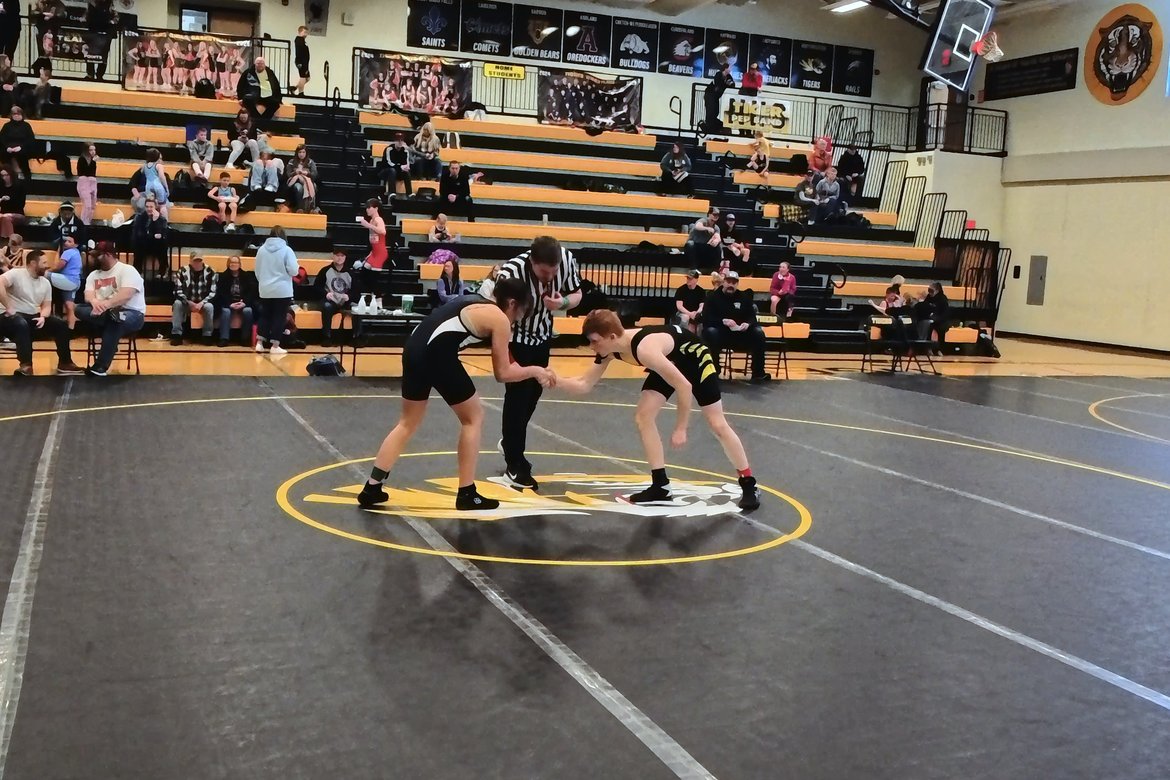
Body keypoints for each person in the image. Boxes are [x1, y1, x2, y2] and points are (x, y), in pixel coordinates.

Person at [357, 278, 555, 512]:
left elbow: (508, 360)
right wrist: (535, 371)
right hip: (435, 354)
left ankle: (372, 487)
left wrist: (533, 370)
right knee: (473, 417)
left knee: (407, 422)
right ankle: (467, 493)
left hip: (413, 349)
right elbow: (503, 373)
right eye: (520, 315)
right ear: (512, 304)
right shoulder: (499, 318)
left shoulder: (475, 302)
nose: (516, 321)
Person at [559, 309, 760, 509]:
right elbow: (585, 384)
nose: (591, 346)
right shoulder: (610, 349)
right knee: (644, 416)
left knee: (717, 424)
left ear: (611, 337)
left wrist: (681, 427)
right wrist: (553, 379)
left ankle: (748, 483)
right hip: (669, 360)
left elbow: (684, 386)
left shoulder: (645, 349)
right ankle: (661, 486)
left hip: (694, 359)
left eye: (594, 341)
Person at [495, 236, 583, 491]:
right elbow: (500, 316)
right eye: (544, 272)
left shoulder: (565, 259)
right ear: (532, 262)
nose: (549, 277)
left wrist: (562, 303)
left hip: (543, 335)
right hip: (516, 335)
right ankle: (515, 461)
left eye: (553, 272)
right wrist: (504, 351)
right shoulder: (512, 273)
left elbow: (577, 294)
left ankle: (510, 441)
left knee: (533, 394)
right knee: (518, 396)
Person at [75, 243, 146, 377]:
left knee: (115, 321)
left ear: (108, 255)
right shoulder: (93, 275)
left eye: (96, 256)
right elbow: (88, 295)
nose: (92, 259)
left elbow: (126, 294)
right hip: (103, 311)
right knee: (79, 309)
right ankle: (110, 324)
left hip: (132, 313)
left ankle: (101, 366)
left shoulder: (127, 270)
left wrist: (106, 305)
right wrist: (95, 301)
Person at [702, 270, 770, 381]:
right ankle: (714, 371)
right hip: (720, 332)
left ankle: (758, 373)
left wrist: (747, 323)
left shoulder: (743, 297)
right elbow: (706, 318)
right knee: (711, 332)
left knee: (758, 332)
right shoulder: (712, 297)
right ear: (724, 282)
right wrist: (723, 321)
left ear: (737, 284)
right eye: (728, 282)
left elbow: (752, 317)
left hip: (740, 334)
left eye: (734, 283)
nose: (731, 285)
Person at [253, 226, 297, 356]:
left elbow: (257, 271)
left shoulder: (261, 250)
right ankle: (275, 345)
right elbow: (294, 271)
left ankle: (259, 343)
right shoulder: (287, 250)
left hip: (265, 288)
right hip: (282, 290)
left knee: (265, 315)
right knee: (279, 316)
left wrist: (264, 282)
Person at [170, 250, 217, 345]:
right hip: (186, 301)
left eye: (200, 260)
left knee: (210, 307)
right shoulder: (182, 271)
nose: (198, 263)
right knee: (177, 304)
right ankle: (176, 335)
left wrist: (201, 303)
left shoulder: (210, 271)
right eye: (195, 260)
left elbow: (213, 292)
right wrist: (189, 302)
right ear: (190, 261)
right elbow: (177, 291)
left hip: (203, 302)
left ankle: (207, 335)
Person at [213, 254, 256, 347]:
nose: (234, 264)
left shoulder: (247, 276)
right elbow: (220, 294)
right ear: (228, 264)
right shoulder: (223, 277)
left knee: (248, 311)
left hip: (242, 303)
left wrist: (244, 303)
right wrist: (229, 304)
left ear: (240, 264)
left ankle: (245, 338)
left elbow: (251, 293)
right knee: (226, 311)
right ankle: (224, 338)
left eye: (236, 262)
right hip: (228, 303)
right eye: (231, 262)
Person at [316, 248, 352, 347]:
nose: (339, 258)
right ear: (333, 256)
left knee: (357, 308)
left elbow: (356, 289)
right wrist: (325, 294)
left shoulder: (350, 272)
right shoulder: (325, 270)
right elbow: (316, 287)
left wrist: (349, 296)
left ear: (345, 258)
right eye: (337, 255)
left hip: (345, 302)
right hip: (331, 301)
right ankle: (326, 337)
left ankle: (357, 337)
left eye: (342, 256)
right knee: (326, 307)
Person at [239, 56, 282, 128]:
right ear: (255, 64)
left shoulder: (270, 72)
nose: (260, 65)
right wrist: (240, 97)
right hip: (254, 95)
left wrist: (279, 98)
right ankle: (256, 119)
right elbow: (240, 85)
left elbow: (276, 85)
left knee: (275, 104)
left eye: (262, 63)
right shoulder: (248, 72)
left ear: (264, 64)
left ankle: (264, 120)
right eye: (258, 63)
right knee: (246, 100)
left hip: (267, 96)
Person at [131, 197, 168, 278]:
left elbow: (162, 234)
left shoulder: (161, 219)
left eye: (151, 207)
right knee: (138, 244)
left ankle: (163, 271)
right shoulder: (140, 218)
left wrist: (155, 221)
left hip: (156, 244)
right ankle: (138, 271)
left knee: (163, 245)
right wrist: (152, 236)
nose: (149, 209)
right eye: (147, 207)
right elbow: (139, 233)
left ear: (155, 207)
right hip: (144, 243)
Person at [131, 148, 169, 217]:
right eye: (159, 158)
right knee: (141, 202)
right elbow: (133, 182)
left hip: (159, 196)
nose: (160, 161)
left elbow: (168, 188)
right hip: (144, 194)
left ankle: (162, 224)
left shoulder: (164, 174)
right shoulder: (142, 170)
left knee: (166, 204)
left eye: (161, 159)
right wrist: (135, 191)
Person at [84, 0, 117, 81]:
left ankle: (99, 75)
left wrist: (112, 21)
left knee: (104, 54)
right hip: (93, 31)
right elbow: (86, 14)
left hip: (105, 33)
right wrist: (84, 18)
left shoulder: (110, 4)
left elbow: (115, 16)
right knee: (90, 53)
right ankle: (90, 74)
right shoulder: (91, 3)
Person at [0, 106, 35, 179]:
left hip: (22, 147)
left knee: (23, 156)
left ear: (22, 115)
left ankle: (27, 177)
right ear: (11, 115)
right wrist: (7, 148)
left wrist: (20, 147)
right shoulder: (7, 126)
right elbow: (2, 138)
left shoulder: (26, 126)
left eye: (18, 114)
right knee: (4, 155)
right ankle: (7, 177)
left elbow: (30, 139)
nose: (16, 115)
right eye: (14, 114)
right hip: (8, 147)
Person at [914, 281, 949, 354]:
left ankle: (938, 348)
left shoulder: (943, 299)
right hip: (928, 318)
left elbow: (944, 313)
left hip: (940, 320)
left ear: (937, 290)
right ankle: (926, 347)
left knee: (938, 327)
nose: (929, 293)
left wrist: (936, 318)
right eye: (928, 291)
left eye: (931, 291)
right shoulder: (928, 297)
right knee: (925, 324)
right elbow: (925, 307)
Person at [378, 132, 412, 201]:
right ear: (394, 141)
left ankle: (409, 193)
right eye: (398, 140)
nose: (400, 142)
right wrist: (400, 167)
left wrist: (405, 167)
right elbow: (389, 163)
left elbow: (406, 164)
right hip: (385, 171)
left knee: (406, 172)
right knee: (392, 170)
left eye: (401, 140)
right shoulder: (389, 149)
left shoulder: (405, 151)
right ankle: (392, 192)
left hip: (397, 172)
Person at [286, 145, 318, 213]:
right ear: (297, 153)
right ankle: (300, 208)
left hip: (307, 181)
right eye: (300, 152)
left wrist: (307, 173)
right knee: (299, 187)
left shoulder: (310, 162)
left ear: (306, 153)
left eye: (303, 152)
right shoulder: (291, 162)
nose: (301, 154)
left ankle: (311, 207)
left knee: (314, 186)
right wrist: (295, 172)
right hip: (295, 181)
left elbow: (314, 174)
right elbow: (288, 174)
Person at [704, 62, 734, 133]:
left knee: (715, 112)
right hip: (710, 95)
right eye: (730, 67)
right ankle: (709, 128)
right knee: (710, 112)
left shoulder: (728, 76)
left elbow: (732, 84)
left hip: (716, 97)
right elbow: (718, 84)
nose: (731, 69)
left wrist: (727, 83)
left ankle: (715, 128)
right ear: (726, 68)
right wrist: (726, 83)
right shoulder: (718, 74)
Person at [357, 198, 387, 269]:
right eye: (366, 208)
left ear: (376, 208)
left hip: (380, 253)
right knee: (365, 270)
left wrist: (368, 225)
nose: (367, 209)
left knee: (373, 275)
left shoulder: (378, 219)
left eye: (369, 207)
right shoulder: (371, 220)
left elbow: (383, 231)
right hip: (374, 252)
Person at [719, 212, 752, 276]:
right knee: (730, 247)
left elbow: (741, 244)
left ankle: (742, 271)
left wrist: (736, 245)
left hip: (735, 247)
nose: (731, 222)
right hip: (724, 247)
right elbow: (721, 241)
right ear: (726, 221)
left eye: (732, 220)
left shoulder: (737, 231)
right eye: (729, 220)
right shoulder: (722, 230)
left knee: (747, 251)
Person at [674, 269, 705, 333]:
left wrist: (697, 313)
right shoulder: (681, 290)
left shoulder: (701, 291)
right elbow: (679, 306)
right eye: (687, 278)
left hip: (695, 313)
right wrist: (690, 314)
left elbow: (702, 305)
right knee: (685, 318)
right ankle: (683, 336)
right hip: (682, 313)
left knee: (701, 319)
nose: (688, 280)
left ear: (696, 280)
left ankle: (700, 340)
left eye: (690, 278)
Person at [75, 142, 99, 224]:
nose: (93, 152)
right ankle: (84, 223)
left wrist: (93, 162)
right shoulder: (82, 159)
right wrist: (93, 162)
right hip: (84, 182)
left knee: (92, 205)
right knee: (87, 205)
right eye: (90, 150)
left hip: (92, 182)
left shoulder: (93, 161)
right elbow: (84, 172)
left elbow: (92, 173)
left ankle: (88, 222)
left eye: (94, 150)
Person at [0, 164, 24, 238]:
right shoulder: (1, 187)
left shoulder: (19, 187)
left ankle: (9, 241)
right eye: (2, 176)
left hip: (17, 213)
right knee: (4, 218)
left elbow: (21, 204)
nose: (5, 178)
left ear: (11, 175)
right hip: (2, 214)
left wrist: (9, 200)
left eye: (7, 175)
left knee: (5, 218)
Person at [292, 25, 310, 96]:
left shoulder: (302, 41)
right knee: (303, 77)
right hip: (301, 62)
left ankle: (294, 88)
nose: (306, 34)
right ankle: (301, 92)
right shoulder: (299, 40)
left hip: (305, 62)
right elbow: (299, 52)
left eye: (307, 33)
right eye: (304, 32)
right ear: (300, 32)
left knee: (308, 78)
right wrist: (299, 62)